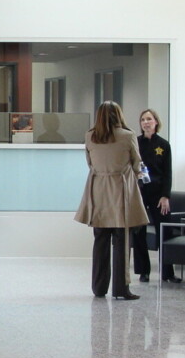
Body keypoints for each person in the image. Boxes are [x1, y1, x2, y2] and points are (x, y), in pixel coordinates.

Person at [74, 101, 148, 300]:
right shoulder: (127, 136)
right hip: (120, 190)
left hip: (98, 190)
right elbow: (136, 162)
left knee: (100, 240)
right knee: (122, 240)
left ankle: (99, 288)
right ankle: (121, 289)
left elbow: (89, 163)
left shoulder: (90, 136)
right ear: (118, 115)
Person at [131, 109, 175, 283]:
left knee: (164, 231)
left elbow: (168, 173)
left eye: (149, 119)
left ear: (156, 122)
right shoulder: (135, 143)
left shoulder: (163, 145)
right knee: (138, 230)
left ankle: (167, 273)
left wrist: (165, 196)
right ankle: (143, 271)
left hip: (158, 194)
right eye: (143, 119)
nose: (145, 122)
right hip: (140, 192)